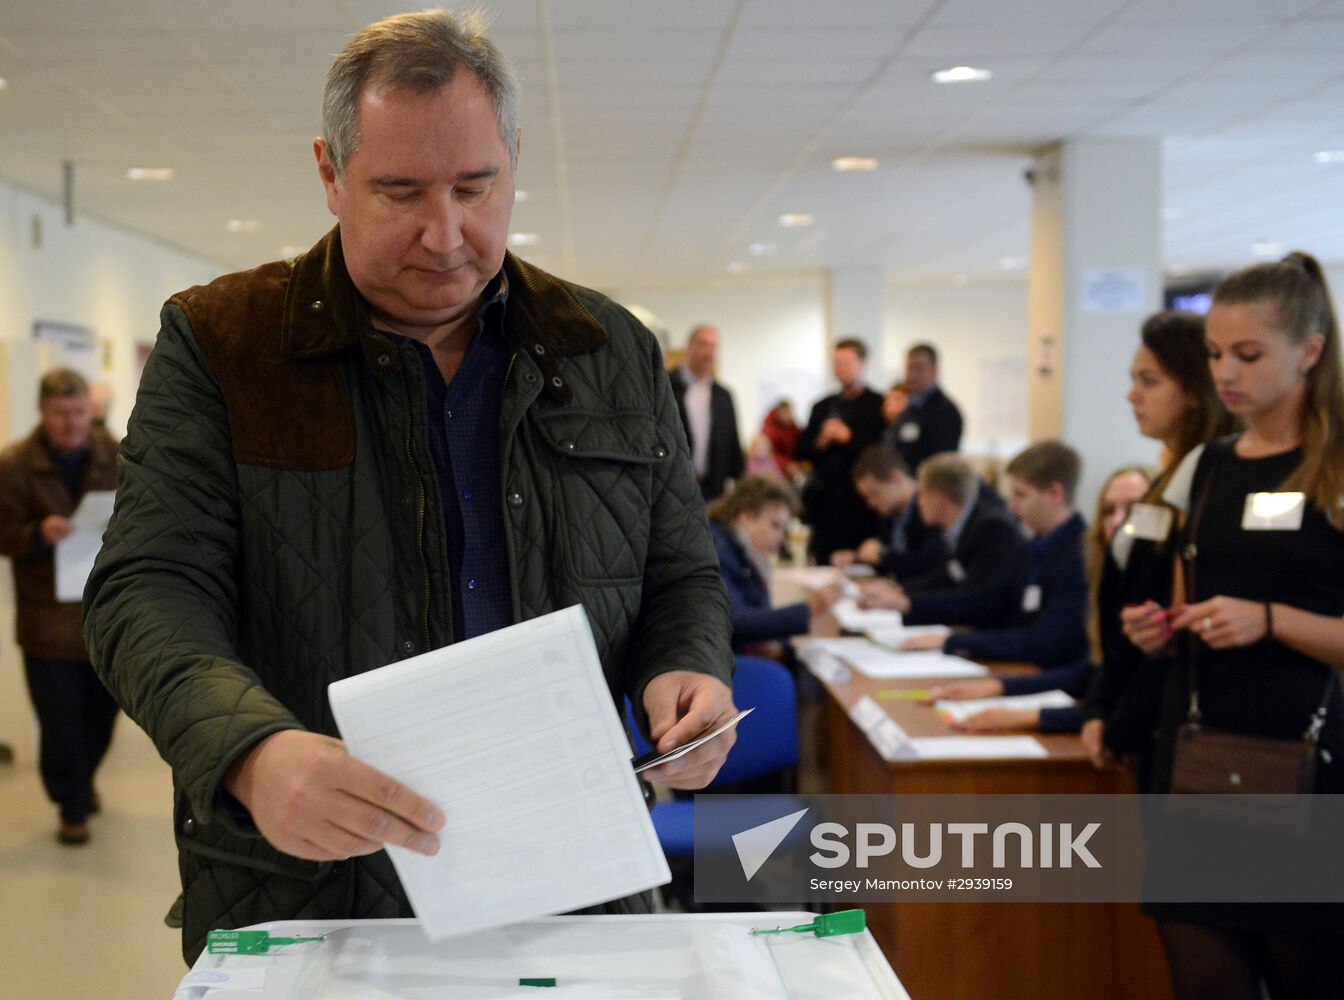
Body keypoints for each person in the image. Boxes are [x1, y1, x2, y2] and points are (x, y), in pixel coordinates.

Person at [81, 11, 736, 963]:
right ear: (329, 173)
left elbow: (681, 574)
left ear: (515, 155)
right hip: (310, 889)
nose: (446, 234)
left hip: (577, 885)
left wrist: (689, 666)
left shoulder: (610, 349)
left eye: (477, 186)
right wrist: (250, 751)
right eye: (399, 192)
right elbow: (144, 589)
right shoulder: (224, 344)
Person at [1121, 253, 1344, 997]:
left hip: (1310, 769)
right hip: (1200, 762)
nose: (1227, 374)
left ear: (1310, 351)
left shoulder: (1334, 466)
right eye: (1216, 354)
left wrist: (1272, 620)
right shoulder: (1211, 464)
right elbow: (1190, 601)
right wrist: (1161, 628)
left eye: (1249, 355)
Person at [1081, 310, 1234, 776]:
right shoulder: (1160, 484)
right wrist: (1100, 709)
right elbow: (1127, 607)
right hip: (1136, 712)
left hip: (1174, 721)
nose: (1133, 395)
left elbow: (1167, 629)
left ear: (1192, 389)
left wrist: (1120, 723)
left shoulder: (1209, 487)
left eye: (1149, 381)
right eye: (1134, 380)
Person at [934, 463, 1152, 735]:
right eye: (1109, 511)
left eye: (1133, 510)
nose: (1118, 522)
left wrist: (1031, 716)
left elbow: (1141, 707)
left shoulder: (1075, 557)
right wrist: (1000, 686)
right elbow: (1096, 672)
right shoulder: (1101, 575)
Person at [0, 368, 120, 845]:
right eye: (60, 414)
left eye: (78, 413)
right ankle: (71, 806)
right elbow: (3, 534)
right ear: (42, 412)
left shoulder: (113, 452)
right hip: (47, 621)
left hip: (106, 614)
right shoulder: (13, 465)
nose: (71, 423)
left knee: (103, 715)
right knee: (60, 723)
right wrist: (35, 534)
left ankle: (82, 780)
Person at [912, 440, 1088, 673]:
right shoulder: (1034, 545)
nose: (1011, 505)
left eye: (1020, 495)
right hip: (1015, 668)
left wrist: (954, 641)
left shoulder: (1079, 556)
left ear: (1054, 493)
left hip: (1048, 679)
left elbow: (1043, 643)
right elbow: (993, 606)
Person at [858, 452, 1027, 628]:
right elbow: (946, 576)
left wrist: (905, 602)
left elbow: (975, 599)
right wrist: (896, 590)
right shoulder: (965, 525)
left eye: (922, 494)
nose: (919, 503)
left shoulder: (991, 528)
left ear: (938, 497)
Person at [834, 442, 1004, 580]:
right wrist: (860, 556)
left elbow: (931, 563)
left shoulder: (933, 511)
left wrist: (884, 557)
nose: (871, 503)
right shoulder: (889, 516)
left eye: (874, 494)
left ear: (895, 477)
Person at [707, 476, 838, 653]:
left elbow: (757, 615)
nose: (782, 539)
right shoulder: (717, 549)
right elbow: (733, 620)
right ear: (745, 516)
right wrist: (809, 609)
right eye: (775, 526)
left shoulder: (741, 551)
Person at [796, 338, 885, 564]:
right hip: (826, 507)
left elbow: (882, 452)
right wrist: (821, 440)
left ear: (863, 364)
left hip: (863, 507)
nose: (841, 367)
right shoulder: (822, 406)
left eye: (847, 362)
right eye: (837, 362)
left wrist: (848, 437)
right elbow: (801, 451)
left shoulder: (879, 405)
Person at [670, 323, 744, 501]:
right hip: (675, 485)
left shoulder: (723, 395)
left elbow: (732, 440)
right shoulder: (666, 386)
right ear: (689, 346)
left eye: (714, 346)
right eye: (703, 344)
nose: (709, 351)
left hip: (714, 488)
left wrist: (738, 482)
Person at [887, 343, 963, 474]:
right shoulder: (909, 409)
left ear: (934, 371)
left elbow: (942, 465)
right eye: (909, 368)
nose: (912, 375)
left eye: (919, 368)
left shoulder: (945, 411)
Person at [760, 399, 801, 480]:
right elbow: (769, 452)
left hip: (791, 464)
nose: (786, 416)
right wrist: (786, 464)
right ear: (778, 412)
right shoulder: (769, 428)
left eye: (788, 413)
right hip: (776, 466)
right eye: (784, 413)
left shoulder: (793, 426)